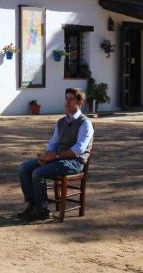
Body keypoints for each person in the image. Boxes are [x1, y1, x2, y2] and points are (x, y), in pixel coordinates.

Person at [17, 87, 94, 221]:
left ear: (80, 103)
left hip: (75, 162)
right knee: (24, 168)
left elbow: (78, 150)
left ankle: (43, 210)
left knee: (38, 173)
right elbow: (53, 144)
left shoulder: (85, 123)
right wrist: (47, 156)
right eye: (66, 98)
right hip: (57, 159)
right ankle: (34, 205)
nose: (67, 102)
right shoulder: (61, 122)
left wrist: (56, 156)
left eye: (71, 99)